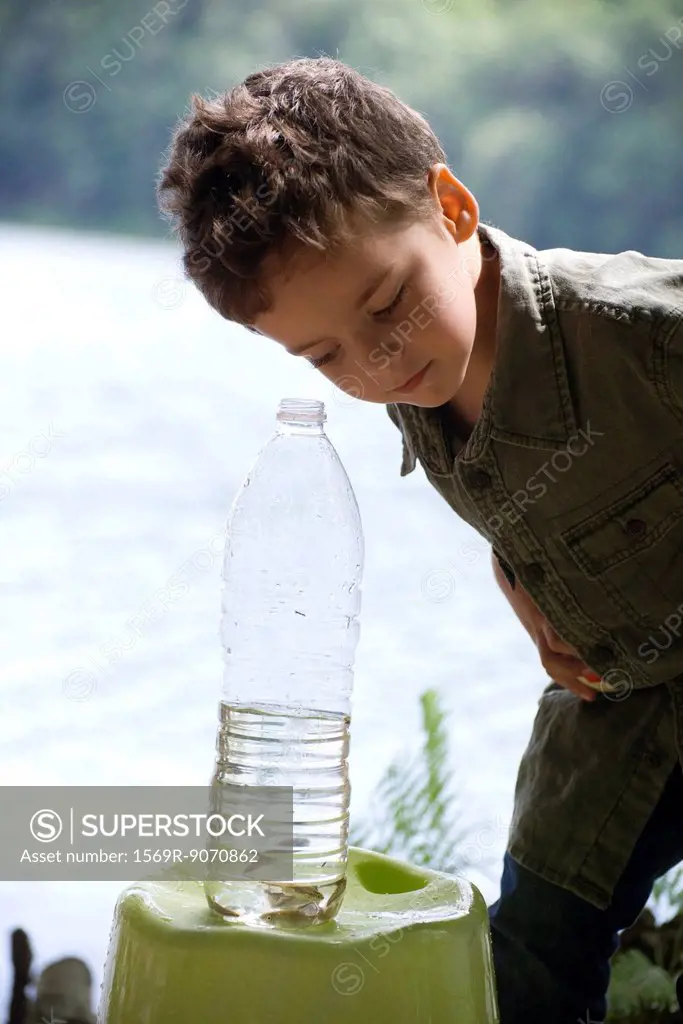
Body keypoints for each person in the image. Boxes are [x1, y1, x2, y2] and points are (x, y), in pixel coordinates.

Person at [157, 55, 683, 1022]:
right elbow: (530, 489)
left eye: (388, 306)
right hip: (616, 712)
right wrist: (524, 581)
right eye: (323, 356)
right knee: (526, 954)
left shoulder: (645, 335)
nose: (376, 365)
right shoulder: (421, 383)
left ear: (449, 207)